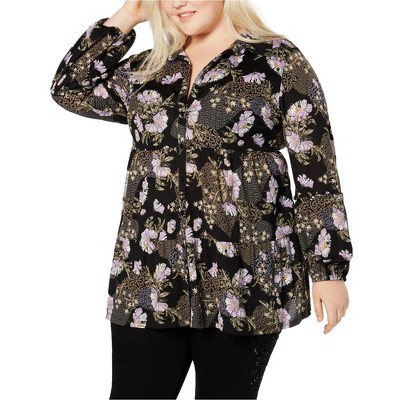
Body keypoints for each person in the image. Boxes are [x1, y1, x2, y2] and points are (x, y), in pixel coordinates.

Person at [50, 0, 353, 398]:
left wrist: (328, 269)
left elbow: (316, 169)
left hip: (244, 275)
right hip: (148, 273)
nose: (178, 2)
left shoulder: (277, 60)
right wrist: (129, 14)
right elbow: (69, 88)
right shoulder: (149, 68)